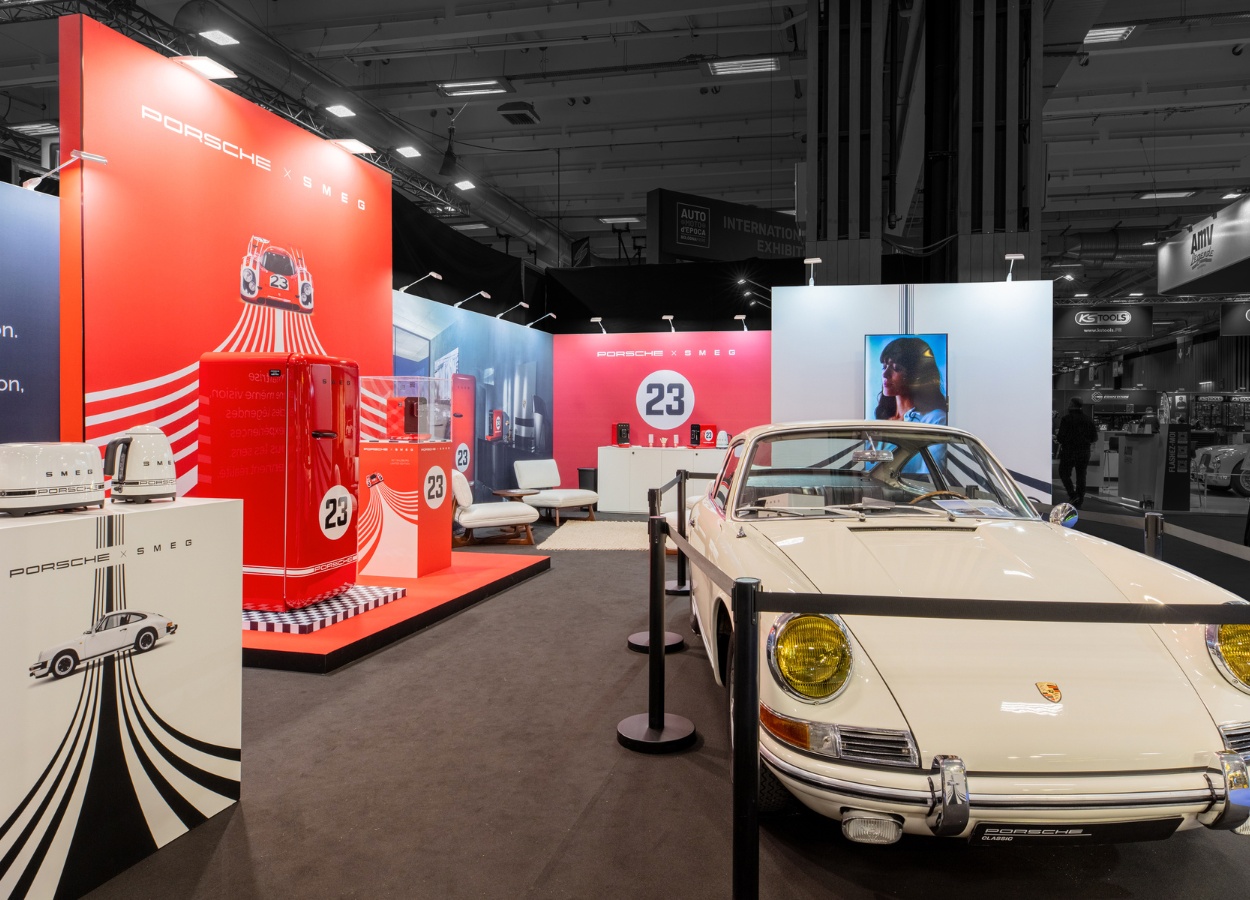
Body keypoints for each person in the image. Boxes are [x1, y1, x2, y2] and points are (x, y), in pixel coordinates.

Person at [874, 337, 948, 425]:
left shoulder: (935, 420)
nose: (885, 374)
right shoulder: (881, 417)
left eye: (896, 368)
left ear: (917, 375)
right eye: (884, 367)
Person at [1056, 397, 1099, 507]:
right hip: (1084, 451)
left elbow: (1061, 437)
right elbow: (1094, 437)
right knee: (1081, 475)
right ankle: (1080, 500)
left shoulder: (1066, 419)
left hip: (1069, 451)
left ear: (1072, 404)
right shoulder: (1088, 419)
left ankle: (1073, 495)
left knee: (1064, 473)